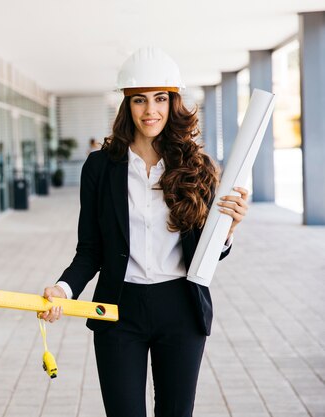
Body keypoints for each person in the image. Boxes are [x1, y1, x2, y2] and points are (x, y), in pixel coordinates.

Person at [39, 46, 249, 417]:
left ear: (173, 103)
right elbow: (90, 248)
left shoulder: (196, 166)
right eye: (139, 100)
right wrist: (64, 288)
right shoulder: (100, 168)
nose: (150, 111)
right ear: (126, 104)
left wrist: (227, 231)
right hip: (118, 309)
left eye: (160, 99)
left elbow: (206, 250)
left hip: (181, 308)